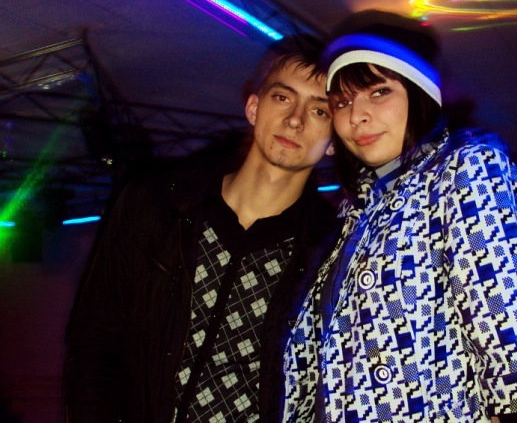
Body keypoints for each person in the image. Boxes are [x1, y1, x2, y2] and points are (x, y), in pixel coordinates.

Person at [282, 10, 517, 422]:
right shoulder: (355, 209)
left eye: (378, 91)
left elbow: (507, 329)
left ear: (419, 93)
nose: (356, 114)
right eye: (342, 101)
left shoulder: (466, 167)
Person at [63, 34, 340, 422]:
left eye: (319, 111)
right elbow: (94, 341)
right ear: (254, 107)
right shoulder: (155, 204)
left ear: (334, 141)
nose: (295, 119)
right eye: (282, 97)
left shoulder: (331, 251)